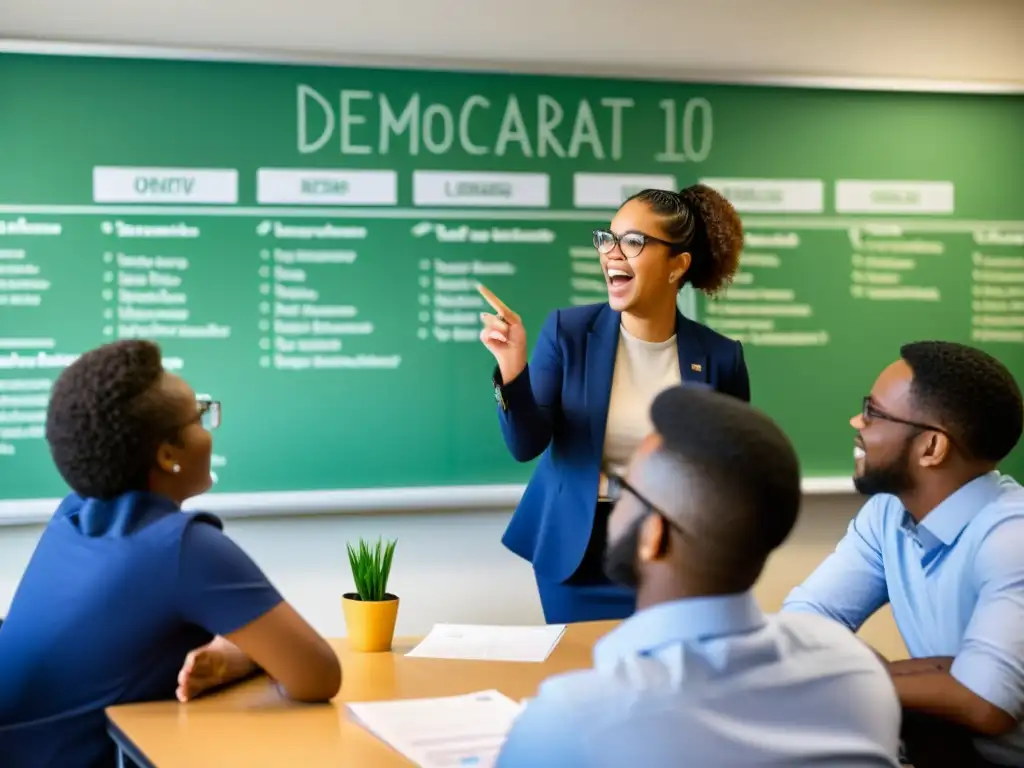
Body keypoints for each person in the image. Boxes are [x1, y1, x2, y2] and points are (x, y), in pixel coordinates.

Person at [495, 385, 901, 767]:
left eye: (624, 488)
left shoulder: (570, 723)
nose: (615, 508)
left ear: (654, 535)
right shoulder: (854, 673)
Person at [0, 340, 342, 768]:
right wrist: (245, 657)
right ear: (168, 455)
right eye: (200, 416)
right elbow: (317, 675)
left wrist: (229, 660)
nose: (209, 428)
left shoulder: (71, 516)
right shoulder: (183, 548)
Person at [479, 184, 750, 624]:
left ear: (677, 265)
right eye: (608, 238)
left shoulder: (720, 357)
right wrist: (512, 368)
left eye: (633, 242)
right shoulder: (569, 332)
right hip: (577, 550)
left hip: (670, 552)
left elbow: (732, 475)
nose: (612, 254)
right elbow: (526, 444)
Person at [782, 341, 1024, 768]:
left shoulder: (1011, 536)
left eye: (873, 412)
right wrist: (931, 674)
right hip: (949, 746)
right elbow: (805, 620)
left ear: (931, 448)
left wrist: (853, 675)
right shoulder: (887, 512)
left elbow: (987, 704)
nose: (857, 421)